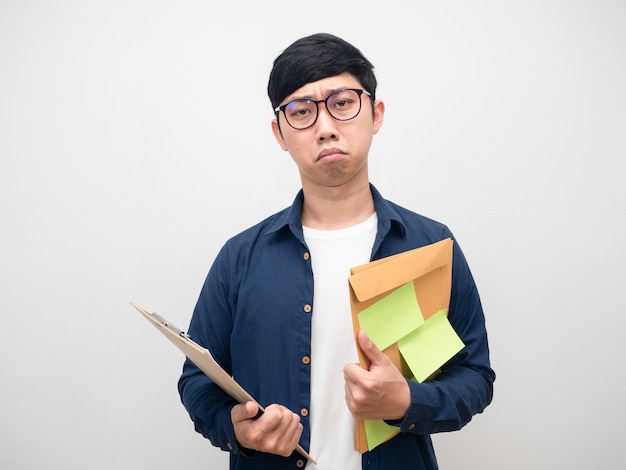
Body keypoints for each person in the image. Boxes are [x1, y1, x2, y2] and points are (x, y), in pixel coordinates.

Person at [178, 32, 495, 470]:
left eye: (342, 103)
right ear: (280, 133)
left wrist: (407, 400)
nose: (325, 127)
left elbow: (475, 377)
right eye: (302, 111)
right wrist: (237, 428)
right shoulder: (240, 258)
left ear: (376, 113)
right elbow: (197, 381)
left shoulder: (430, 246)